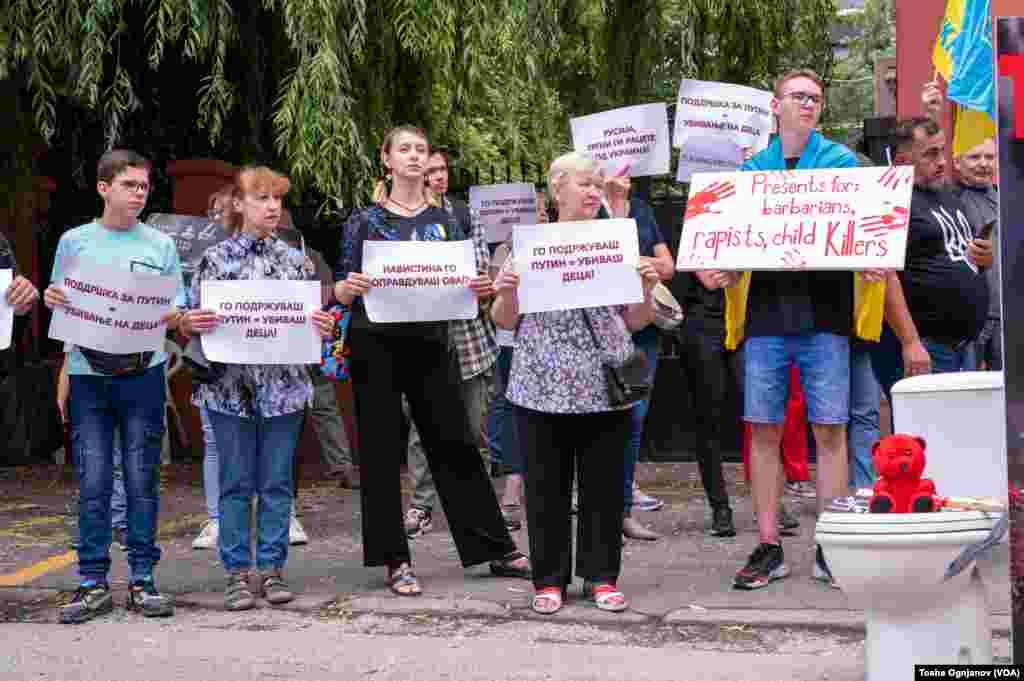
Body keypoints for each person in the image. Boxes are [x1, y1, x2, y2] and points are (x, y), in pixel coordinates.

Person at [709, 70, 887, 591]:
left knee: (830, 431)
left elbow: (865, 231)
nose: (807, 105)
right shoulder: (749, 172)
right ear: (775, 104)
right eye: (798, 97)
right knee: (762, 430)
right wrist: (717, 268)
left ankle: (830, 546)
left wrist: (871, 258)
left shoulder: (842, 164)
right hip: (764, 317)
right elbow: (730, 245)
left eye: (815, 98)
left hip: (826, 317)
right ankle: (768, 545)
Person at [334, 125, 530, 597]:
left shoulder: (449, 220)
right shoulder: (364, 221)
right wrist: (347, 289)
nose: (415, 157)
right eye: (405, 149)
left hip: (432, 341)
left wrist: (480, 290)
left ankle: (493, 547)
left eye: (421, 150)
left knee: (454, 442)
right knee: (381, 451)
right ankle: (395, 559)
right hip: (374, 343)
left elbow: (467, 286)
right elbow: (340, 289)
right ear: (386, 159)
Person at [491, 151, 660, 615]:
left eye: (598, 184)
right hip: (540, 382)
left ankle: (602, 577)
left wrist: (644, 286)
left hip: (607, 384)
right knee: (545, 487)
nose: (592, 192)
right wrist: (506, 290)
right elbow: (505, 320)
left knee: (604, 486)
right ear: (556, 188)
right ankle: (548, 581)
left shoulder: (616, 242)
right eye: (584, 183)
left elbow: (637, 319)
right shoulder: (526, 245)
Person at [180, 166, 335, 611]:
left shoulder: (296, 262)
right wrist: (193, 321)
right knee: (234, 483)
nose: (272, 207)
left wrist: (321, 325)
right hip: (228, 390)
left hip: (283, 389)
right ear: (239, 204)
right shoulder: (213, 260)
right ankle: (234, 574)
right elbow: (191, 318)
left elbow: (312, 325)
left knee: (276, 484)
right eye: (262, 198)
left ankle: (271, 570)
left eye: (277, 200)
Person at [44, 149, 184, 623]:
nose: (139, 194)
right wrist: (52, 299)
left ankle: (143, 579)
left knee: (143, 481)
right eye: (130, 185)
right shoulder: (74, 242)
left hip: (144, 373)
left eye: (144, 186)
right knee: (94, 481)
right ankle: (91, 582)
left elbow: (176, 310)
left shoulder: (161, 246)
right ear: (104, 188)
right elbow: (63, 307)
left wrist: (174, 315)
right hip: (88, 376)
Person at [403, 149, 503, 537]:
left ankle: (474, 509)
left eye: (442, 169)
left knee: (472, 426)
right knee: (421, 428)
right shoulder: (402, 219)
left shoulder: (463, 213)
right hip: (423, 336)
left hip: (469, 338)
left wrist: (483, 286)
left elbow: (480, 271)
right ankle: (422, 505)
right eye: (431, 171)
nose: (439, 176)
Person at [871, 117, 989, 403]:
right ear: (902, 161)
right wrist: (910, 342)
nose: (941, 162)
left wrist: (983, 257)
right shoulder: (889, 203)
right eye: (930, 154)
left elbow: (954, 254)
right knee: (925, 439)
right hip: (923, 346)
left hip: (963, 345)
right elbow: (884, 277)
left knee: (960, 436)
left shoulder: (945, 193)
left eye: (942, 151)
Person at [603, 172, 674, 541]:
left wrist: (636, 260)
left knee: (633, 419)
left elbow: (668, 266)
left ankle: (624, 511)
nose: (624, 173)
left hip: (641, 331)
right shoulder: (590, 212)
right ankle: (598, 506)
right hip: (599, 334)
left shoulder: (642, 211)